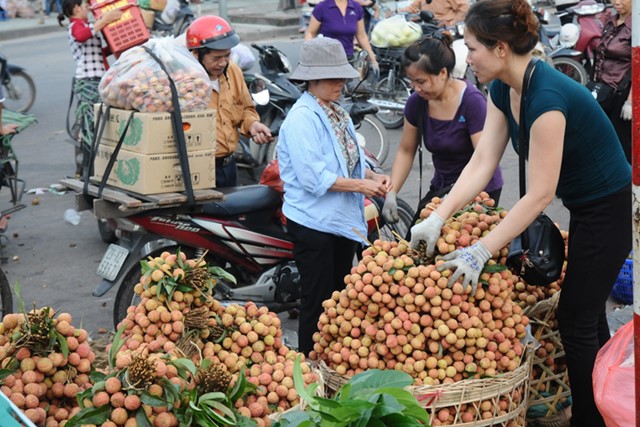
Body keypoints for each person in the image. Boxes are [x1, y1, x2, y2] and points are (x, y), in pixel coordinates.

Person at [409, 1, 631, 426]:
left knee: (576, 317)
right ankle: (606, 404)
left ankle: (590, 418)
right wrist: (440, 214)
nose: (465, 57)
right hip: (584, 205)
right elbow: (483, 160)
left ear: (500, 48)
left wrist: (481, 250)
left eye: (471, 47)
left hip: (609, 207)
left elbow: (540, 193)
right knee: (586, 314)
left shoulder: (546, 97)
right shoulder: (501, 88)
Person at [277, 37, 391, 354]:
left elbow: (349, 160)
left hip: (340, 219)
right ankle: (310, 369)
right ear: (312, 79)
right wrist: (362, 187)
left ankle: (334, 362)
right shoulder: (301, 118)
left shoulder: (337, 113)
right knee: (318, 299)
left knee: (340, 297)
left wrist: (372, 176)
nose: (340, 83)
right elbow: (315, 179)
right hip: (314, 223)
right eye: (332, 77)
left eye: (342, 76)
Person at [381, 33, 503, 231]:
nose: (416, 88)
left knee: (451, 246)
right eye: (412, 82)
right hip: (442, 186)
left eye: (421, 81)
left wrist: (451, 203)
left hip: (479, 190)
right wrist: (391, 193)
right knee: (417, 241)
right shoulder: (416, 103)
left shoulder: (473, 103)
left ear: (443, 73)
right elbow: (406, 150)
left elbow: (483, 161)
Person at [186, 15, 274, 187]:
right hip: (196, 169)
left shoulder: (232, 70)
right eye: (216, 58)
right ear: (196, 54)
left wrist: (252, 125)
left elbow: (246, 108)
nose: (223, 63)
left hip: (228, 166)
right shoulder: (184, 80)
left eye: (227, 56)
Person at [58, 0, 122, 176]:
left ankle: (93, 167)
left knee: (96, 124)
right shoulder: (75, 26)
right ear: (77, 8)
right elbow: (81, 36)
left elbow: (98, 52)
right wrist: (104, 20)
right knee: (90, 127)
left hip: (98, 79)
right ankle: (88, 169)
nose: (88, 9)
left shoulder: (86, 26)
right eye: (86, 6)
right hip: (88, 81)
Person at [592, 0, 632, 163]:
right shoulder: (611, 21)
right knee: (603, 141)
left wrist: (631, 102)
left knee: (624, 145)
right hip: (604, 92)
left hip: (622, 93)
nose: (616, 2)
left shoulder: (635, 26)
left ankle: (631, 186)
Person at [304, 0, 379, 75]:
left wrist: (373, 59)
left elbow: (362, 36)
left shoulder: (356, 7)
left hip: (348, 59)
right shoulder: (322, 7)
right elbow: (310, 33)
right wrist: (308, 55)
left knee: (348, 85)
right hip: (326, 60)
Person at [398, 0, 468, 27]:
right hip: (429, 27)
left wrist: (452, 23)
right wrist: (396, 11)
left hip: (447, 28)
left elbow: (464, 8)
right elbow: (412, 8)